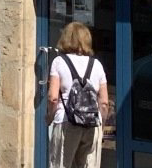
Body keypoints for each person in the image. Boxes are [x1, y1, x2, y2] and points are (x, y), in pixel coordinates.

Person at [45, 20, 111, 167]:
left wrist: (49, 116)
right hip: (92, 123)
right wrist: (101, 124)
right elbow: (104, 102)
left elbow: (53, 97)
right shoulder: (97, 65)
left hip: (66, 121)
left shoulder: (59, 62)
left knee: (61, 164)